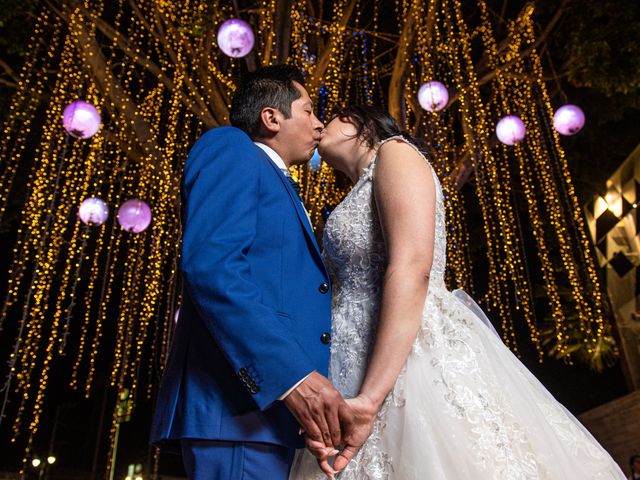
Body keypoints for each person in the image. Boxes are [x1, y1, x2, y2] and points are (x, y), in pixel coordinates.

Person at [289, 105, 626, 479]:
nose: (318, 126)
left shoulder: (394, 152)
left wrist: (370, 398)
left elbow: (412, 265)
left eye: (328, 117)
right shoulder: (359, 188)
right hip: (351, 362)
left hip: (407, 355)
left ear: (358, 122)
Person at [151, 65, 353, 480]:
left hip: (268, 418)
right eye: (310, 110)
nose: (319, 125)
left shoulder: (279, 181)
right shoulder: (231, 148)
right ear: (272, 117)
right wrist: (293, 378)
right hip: (237, 411)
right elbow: (214, 267)